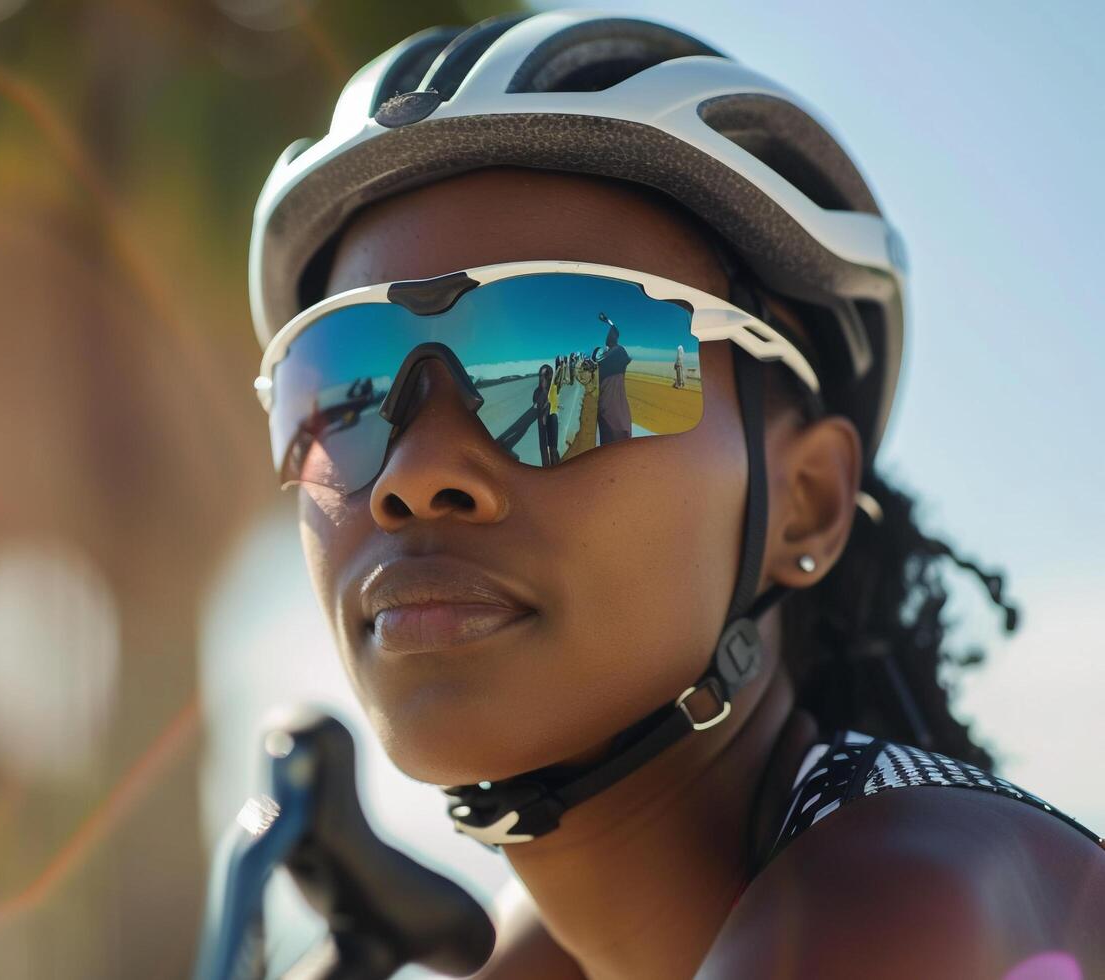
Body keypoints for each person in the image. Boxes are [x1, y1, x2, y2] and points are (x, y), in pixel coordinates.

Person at [247, 13, 1104, 978]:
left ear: (806, 502)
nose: (412, 475)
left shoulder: (896, 906)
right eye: (343, 390)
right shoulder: (546, 950)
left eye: (548, 367)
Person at [596, 312, 633, 443]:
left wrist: (608, 322)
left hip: (607, 403)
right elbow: (615, 331)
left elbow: (615, 331)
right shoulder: (619, 352)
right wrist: (608, 321)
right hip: (616, 404)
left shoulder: (609, 355)